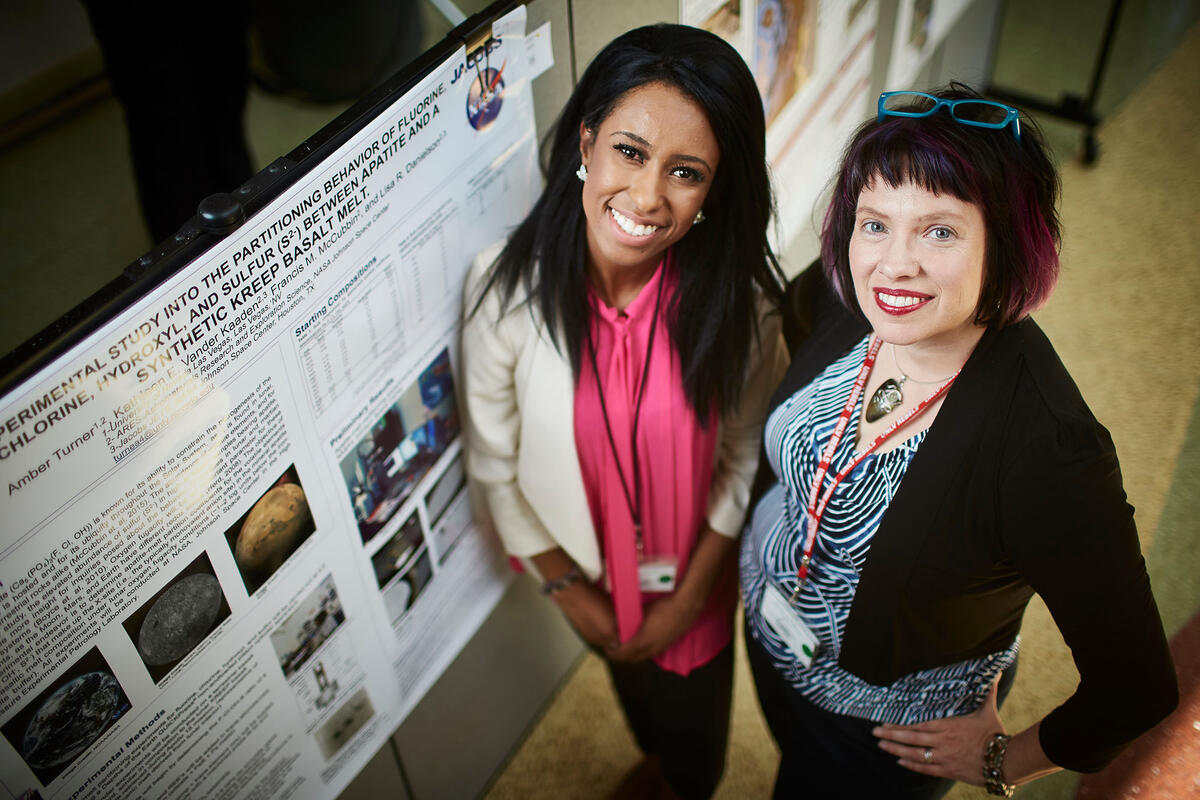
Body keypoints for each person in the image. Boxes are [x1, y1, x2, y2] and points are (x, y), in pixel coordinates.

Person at [740, 85, 1178, 798]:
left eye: (940, 231)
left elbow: (1136, 687)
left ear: (1005, 247)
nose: (893, 265)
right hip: (771, 627)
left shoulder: (1050, 452)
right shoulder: (849, 300)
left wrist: (1008, 758)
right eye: (875, 223)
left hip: (881, 728)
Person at [460, 24, 787, 799]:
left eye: (686, 172)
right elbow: (494, 469)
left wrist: (685, 606)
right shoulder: (501, 293)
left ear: (715, 189)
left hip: (694, 586)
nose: (646, 199)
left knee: (698, 757)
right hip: (587, 578)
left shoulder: (744, 311)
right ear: (587, 140)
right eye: (630, 152)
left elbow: (743, 462)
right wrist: (572, 596)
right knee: (641, 714)